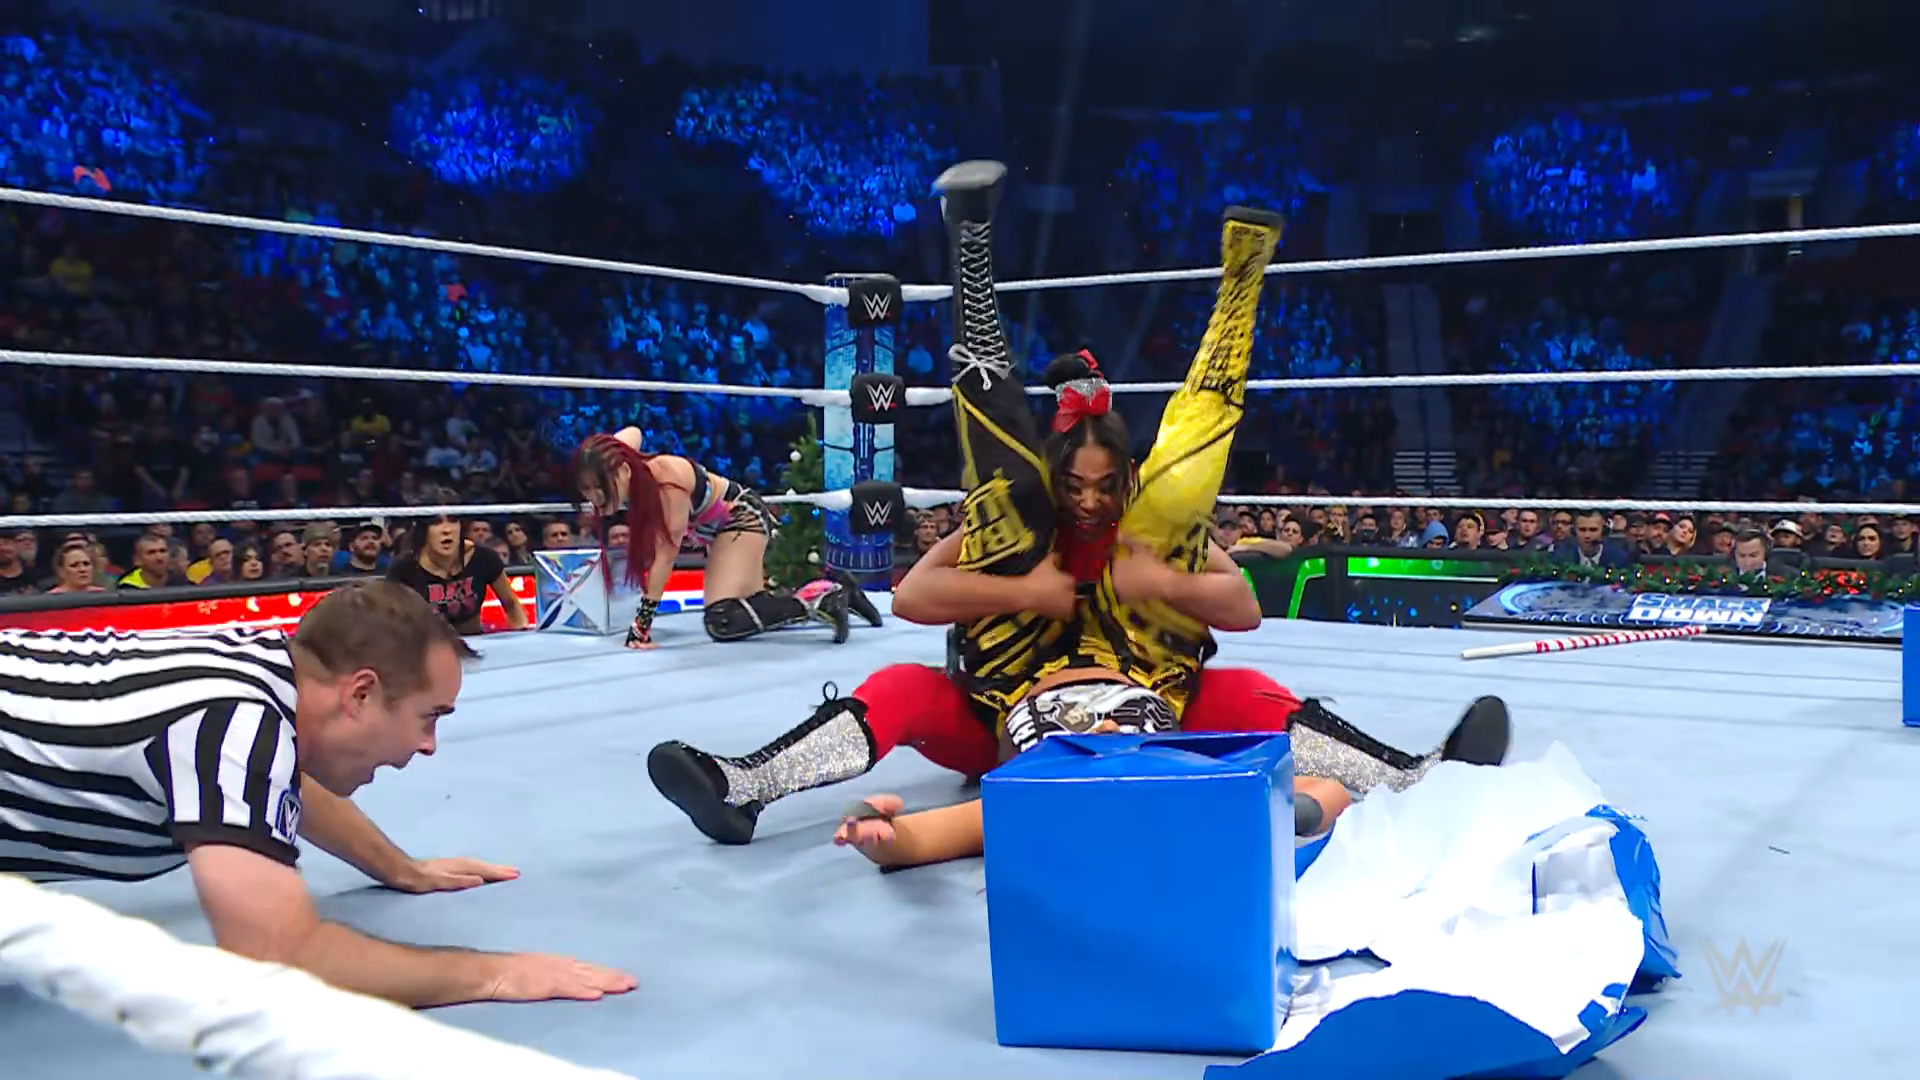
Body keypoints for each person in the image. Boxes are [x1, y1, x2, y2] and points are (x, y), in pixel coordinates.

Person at [646, 161, 1508, 849]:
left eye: (1105, 486)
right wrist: (1026, 590)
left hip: (1146, 705)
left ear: (1123, 478)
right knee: (906, 677)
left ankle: (1414, 777)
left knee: (1244, 683)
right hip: (1000, 711)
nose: (1090, 501)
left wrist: (1154, 580)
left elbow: (1241, 608)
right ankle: (745, 784)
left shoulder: (1148, 526)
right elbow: (913, 597)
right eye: (1076, 486)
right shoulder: (1014, 522)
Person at [0, 580, 634, 1007]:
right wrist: (493, 973)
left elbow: (282, 777)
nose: (429, 746)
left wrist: (399, 868)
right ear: (360, 693)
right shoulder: (233, 726)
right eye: (428, 717)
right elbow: (276, 954)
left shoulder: (265, 672)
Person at [571, 428, 882, 648]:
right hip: (719, 528)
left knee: (722, 620)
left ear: (623, 472)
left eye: (598, 487)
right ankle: (840, 587)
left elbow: (665, 556)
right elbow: (633, 432)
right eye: (586, 489)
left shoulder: (666, 485)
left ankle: (822, 597)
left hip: (740, 518)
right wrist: (602, 453)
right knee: (750, 607)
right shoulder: (624, 463)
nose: (593, 498)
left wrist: (641, 626)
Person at [387, 512, 529, 634]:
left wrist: (523, 640)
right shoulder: (405, 569)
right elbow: (391, 623)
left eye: (453, 521)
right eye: (436, 523)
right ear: (424, 530)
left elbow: (511, 605)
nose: (447, 530)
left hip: (475, 642)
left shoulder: (483, 558)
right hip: (427, 647)